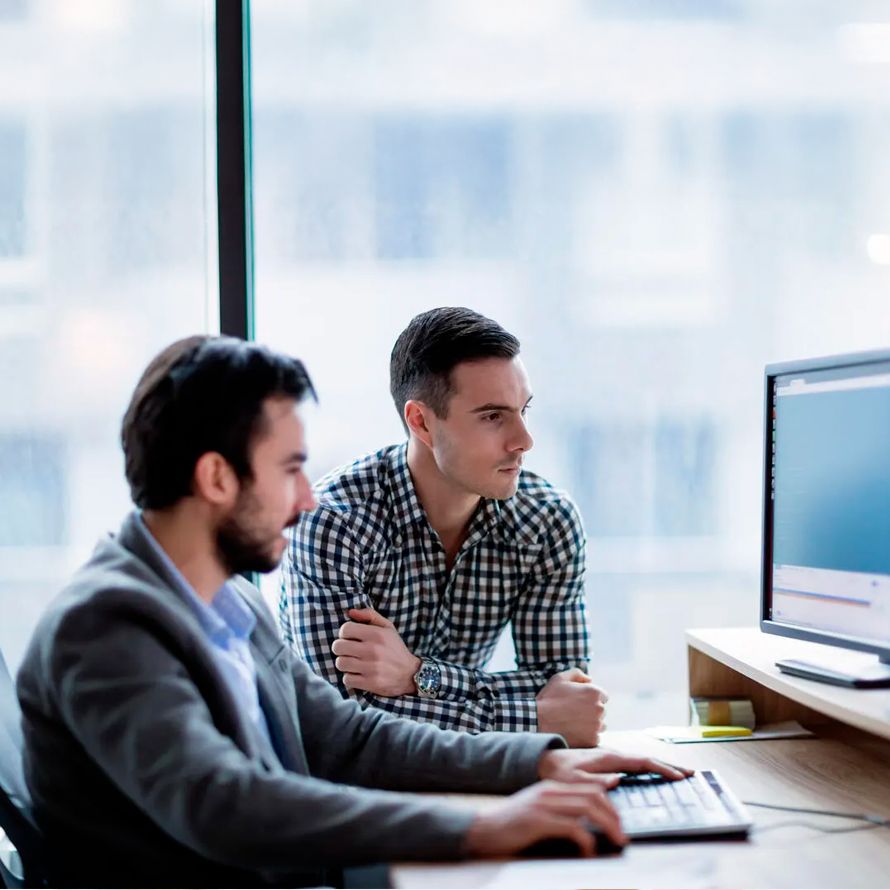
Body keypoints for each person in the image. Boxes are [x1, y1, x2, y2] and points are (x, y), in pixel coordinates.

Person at [16, 335, 688, 888]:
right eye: (289, 470)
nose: (307, 499)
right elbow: (225, 803)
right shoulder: (107, 625)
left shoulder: (230, 601)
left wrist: (537, 764)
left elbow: (343, 738)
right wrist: (480, 828)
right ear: (218, 478)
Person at [280, 307, 606, 746]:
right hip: (345, 790)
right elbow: (340, 725)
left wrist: (418, 676)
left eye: (523, 410)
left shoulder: (546, 520)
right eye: (493, 416)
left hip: (474, 774)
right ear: (422, 422)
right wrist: (532, 716)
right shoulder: (335, 522)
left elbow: (569, 696)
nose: (524, 440)